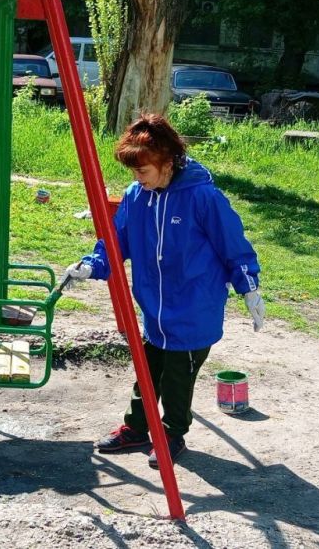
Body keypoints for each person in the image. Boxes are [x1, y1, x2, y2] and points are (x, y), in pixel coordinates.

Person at [64, 113, 265, 469]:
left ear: (168, 162)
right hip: (155, 306)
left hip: (194, 307)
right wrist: (94, 264)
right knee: (147, 369)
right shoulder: (137, 195)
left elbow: (233, 243)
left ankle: (173, 433)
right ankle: (138, 428)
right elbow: (117, 239)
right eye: (134, 173)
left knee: (176, 376)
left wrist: (248, 287)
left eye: (143, 171)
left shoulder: (202, 197)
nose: (137, 180)